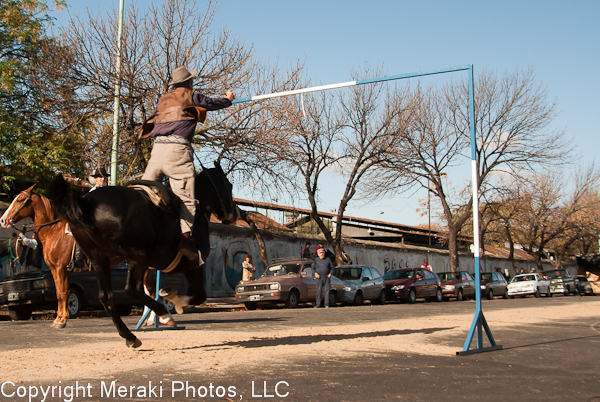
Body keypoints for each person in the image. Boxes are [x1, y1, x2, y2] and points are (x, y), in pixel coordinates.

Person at [139, 66, 235, 260]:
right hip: (177, 151)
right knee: (187, 199)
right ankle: (184, 240)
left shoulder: (163, 100)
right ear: (189, 82)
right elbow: (212, 103)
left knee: (143, 190)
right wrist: (228, 99)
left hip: (156, 150)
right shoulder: (191, 95)